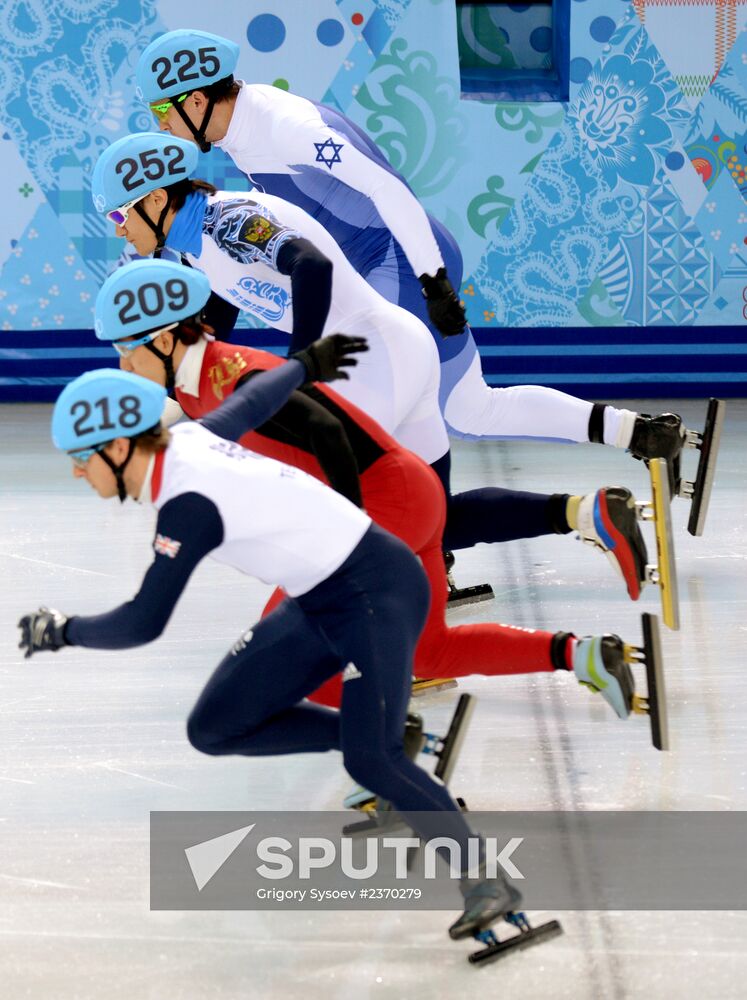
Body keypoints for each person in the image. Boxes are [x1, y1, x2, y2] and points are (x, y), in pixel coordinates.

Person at [17, 355, 520, 940]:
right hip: (320, 599)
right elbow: (255, 400)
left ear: (120, 447)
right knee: (214, 727)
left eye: (82, 459)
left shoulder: (188, 504)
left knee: (370, 760)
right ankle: (381, 734)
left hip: (375, 591)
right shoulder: (192, 439)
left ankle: (485, 878)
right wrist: (308, 363)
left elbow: (143, 621)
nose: (79, 474)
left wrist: (61, 630)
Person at [90, 132, 654, 605]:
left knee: (347, 514)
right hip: (398, 350)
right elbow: (219, 320)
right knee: (435, 517)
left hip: (367, 363)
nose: (119, 228)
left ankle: (357, 640)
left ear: (157, 199)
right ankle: (590, 513)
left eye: (120, 213)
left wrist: (301, 363)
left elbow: (308, 265)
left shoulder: (228, 221)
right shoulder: (197, 248)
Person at [91, 256, 641, 722]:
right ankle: (586, 656)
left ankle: (383, 755)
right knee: (431, 652)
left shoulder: (233, 374)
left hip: (384, 503)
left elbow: (327, 430)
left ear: (164, 339)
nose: (122, 363)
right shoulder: (191, 385)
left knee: (290, 653)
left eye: (126, 349)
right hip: (410, 492)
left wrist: (348, 530)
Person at [133, 28, 687, 471]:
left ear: (198, 100)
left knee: (360, 409)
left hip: (401, 262)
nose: (159, 126)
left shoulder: (283, 126)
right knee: (471, 409)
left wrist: (433, 280)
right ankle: (639, 431)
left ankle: (418, 550)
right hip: (390, 264)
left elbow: (385, 185)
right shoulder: (244, 129)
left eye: (161, 113)